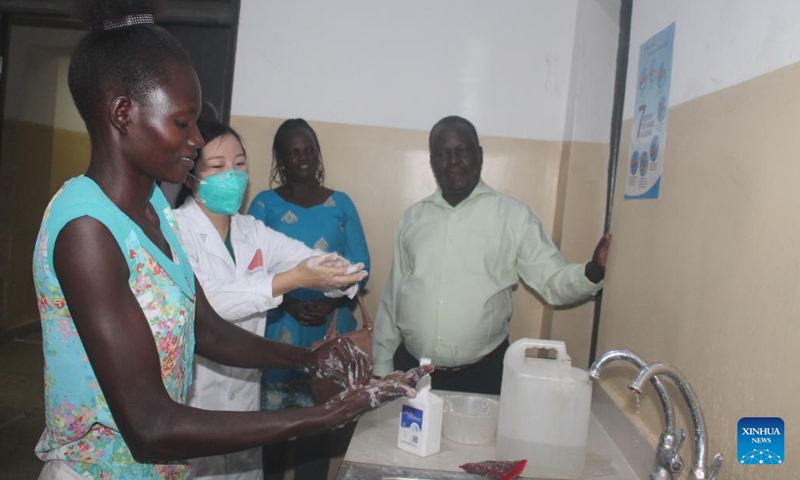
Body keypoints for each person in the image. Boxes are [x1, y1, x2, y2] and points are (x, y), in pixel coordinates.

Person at [31, 1, 429, 478]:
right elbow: (150, 426)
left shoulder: (153, 209)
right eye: (183, 121)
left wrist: (309, 358)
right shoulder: (86, 229)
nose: (199, 139)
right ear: (122, 114)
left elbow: (210, 328)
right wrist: (325, 414)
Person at [373, 115, 612, 395]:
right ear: (432, 162)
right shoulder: (413, 218)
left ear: (479, 155)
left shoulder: (513, 216)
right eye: (442, 154)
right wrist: (381, 367)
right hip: (412, 371)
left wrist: (594, 270)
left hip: (484, 375)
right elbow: (393, 298)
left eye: (461, 150)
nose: (452, 161)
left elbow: (551, 281)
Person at [174, 119, 357, 479]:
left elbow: (302, 257)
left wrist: (340, 275)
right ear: (191, 175)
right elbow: (207, 304)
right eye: (217, 166)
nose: (233, 175)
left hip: (243, 396)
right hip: (196, 395)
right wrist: (291, 280)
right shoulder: (176, 229)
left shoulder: (251, 230)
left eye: (240, 164)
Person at [247, 119, 370, 479]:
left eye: (308, 149)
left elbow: (362, 265)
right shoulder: (264, 205)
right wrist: (287, 302)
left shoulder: (341, 204)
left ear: (317, 154)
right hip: (276, 331)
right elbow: (249, 266)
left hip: (329, 333)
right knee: (273, 436)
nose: (302, 158)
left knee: (318, 436)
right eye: (293, 152)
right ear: (280, 159)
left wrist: (331, 303)